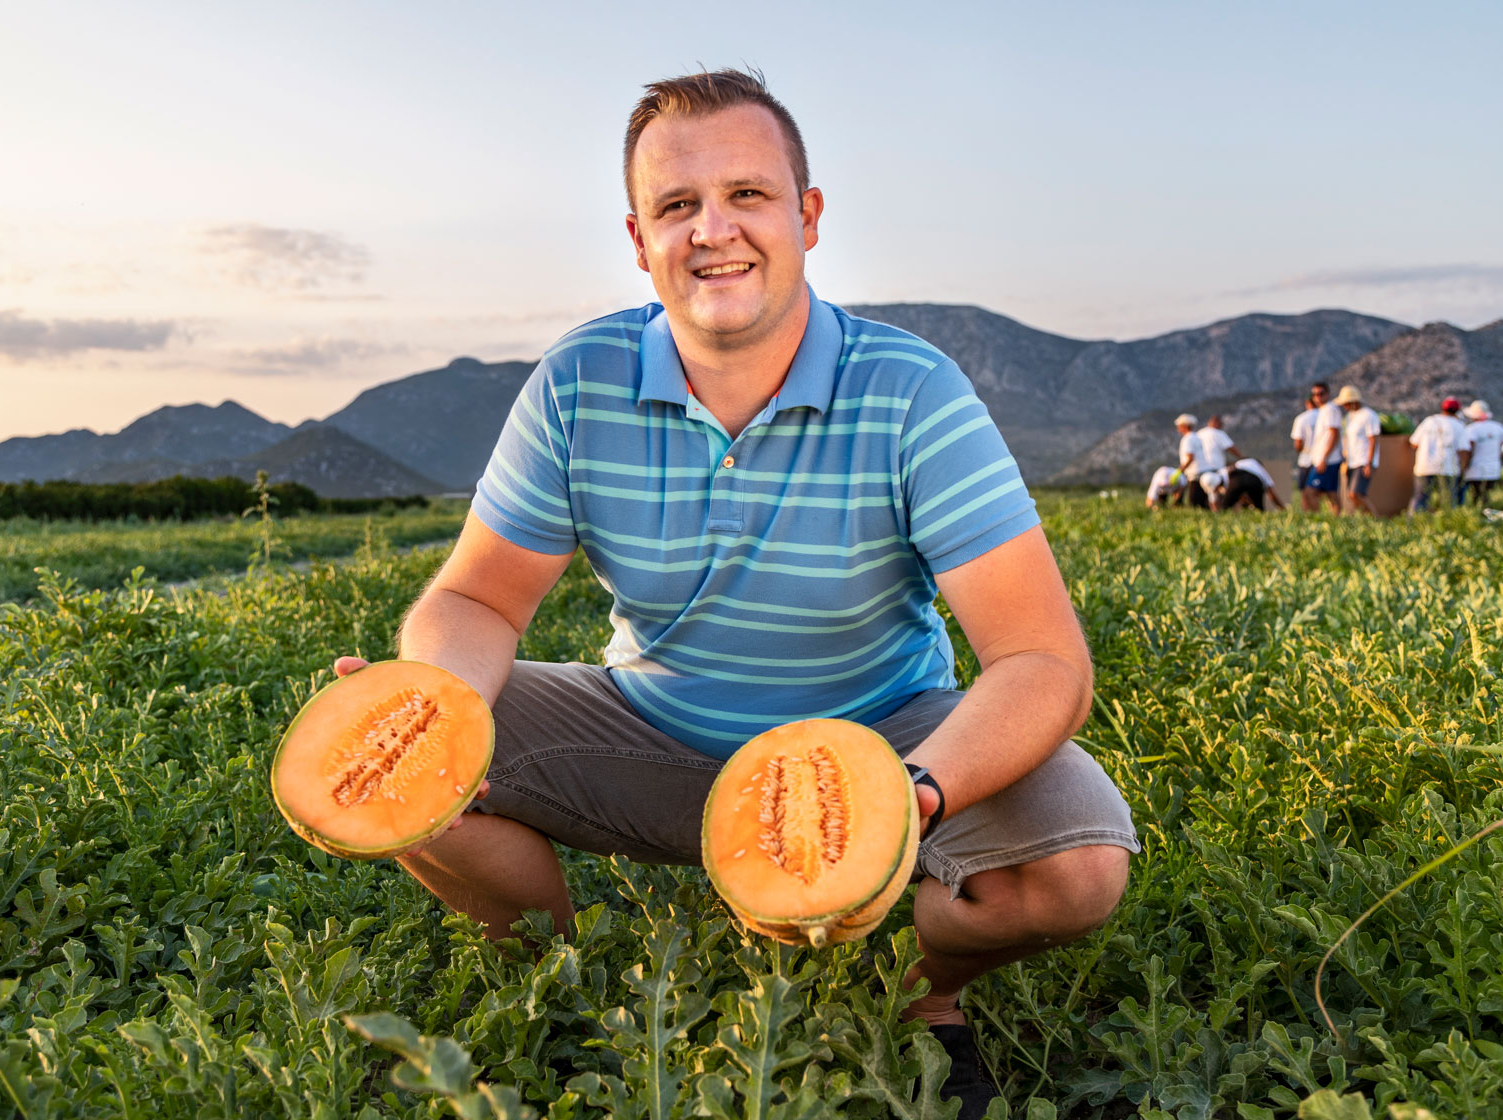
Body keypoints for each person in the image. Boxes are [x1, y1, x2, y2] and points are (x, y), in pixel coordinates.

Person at [331, 69, 1135, 1116]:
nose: (714, 231)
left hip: (882, 737)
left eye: (748, 195)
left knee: (1076, 868)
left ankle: (924, 996)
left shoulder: (912, 391)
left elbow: (1043, 662)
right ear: (637, 239)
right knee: (387, 761)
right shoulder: (580, 380)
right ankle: (554, 984)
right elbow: (477, 600)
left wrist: (909, 797)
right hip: (654, 731)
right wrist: (436, 700)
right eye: (677, 205)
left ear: (805, 216)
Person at [1408, 398, 1471, 512]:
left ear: (1442, 408)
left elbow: (1413, 443)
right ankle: (1447, 522)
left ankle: (1412, 522)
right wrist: (1463, 469)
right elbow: (1463, 450)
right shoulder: (1458, 426)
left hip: (1425, 465)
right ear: (1457, 411)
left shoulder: (1429, 421)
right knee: (1448, 500)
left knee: (1420, 498)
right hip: (1448, 468)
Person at [1336, 387, 1381, 516]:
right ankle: (1365, 519)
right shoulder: (1350, 417)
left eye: (1345, 403)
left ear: (1353, 402)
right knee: (1353, 495)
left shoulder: (1369, 415)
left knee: (1355, 494)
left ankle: (1375, 519)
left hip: (1363, 460)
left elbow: (1373, 439)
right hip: (1352, 461)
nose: (1344, 406)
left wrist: (1369, 463)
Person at [1460, 400, 1503, 508]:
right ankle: (1486, 515)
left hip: (1475, 470)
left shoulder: (1471, 429)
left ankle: (1479, 516)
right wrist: (1501, 456)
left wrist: (1464, 466)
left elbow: (1469, 448)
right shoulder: (1496, 427)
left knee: (1476, 496)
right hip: (1493, 469)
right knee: (1485, 495)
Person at [1305, 389, 1344, 514]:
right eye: (1315, 395)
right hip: (1326, 459)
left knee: (1310, 491)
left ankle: (1318, 519)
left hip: (1328, 460)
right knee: (1331, 492)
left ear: (1327, 394)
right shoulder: (1324, 410)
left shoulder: (1329, 410)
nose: (1318, 397)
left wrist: (1324, 458)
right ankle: (1337, 519)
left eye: (1321, 394)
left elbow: (1334, 434)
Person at [1199, 457, 1283, 511]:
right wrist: (1282, 508)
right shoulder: (1259, 468)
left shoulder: (1233, 467)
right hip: (1254, 481)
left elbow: (1237, 488)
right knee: (1259, 509)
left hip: (1237, 478)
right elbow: (1271, 493)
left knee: (1224, 509)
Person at [1290, 385, 1327, 500]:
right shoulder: (1324, 416)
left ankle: (1310, 515)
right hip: (1322, 459)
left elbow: (1298, 443)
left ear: (1307, 403)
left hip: (1306, 459)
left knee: (1305, 492)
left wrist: (1300, 449)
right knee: (1323, 492)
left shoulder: (1301, 419)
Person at [1174, 414, 1212, 508]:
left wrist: (1179, 471)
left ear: (1185, 426)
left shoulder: (1187, 439)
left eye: (1179, 426)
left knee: (1194, 504)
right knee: (1203, 503)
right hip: (1204, 472)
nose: (1178, 429)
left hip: (1195, 475)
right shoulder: (1197, 437)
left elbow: (1190, 458)